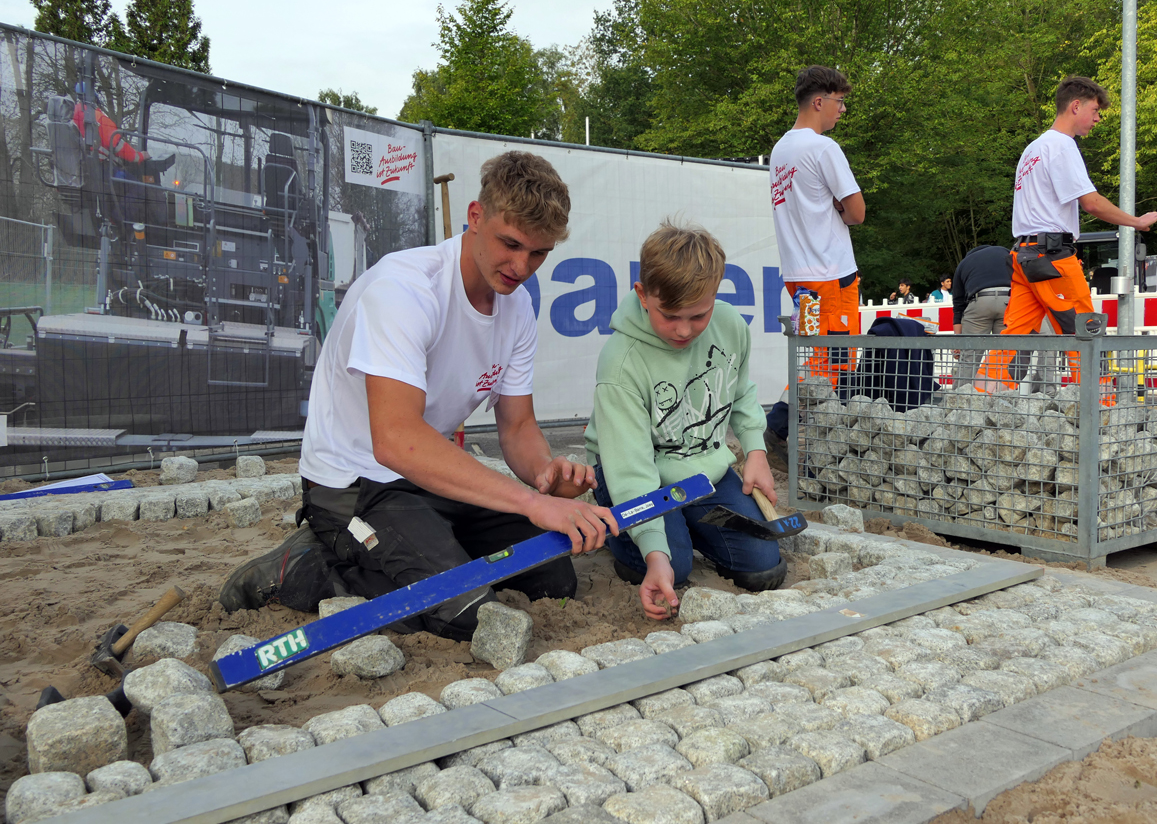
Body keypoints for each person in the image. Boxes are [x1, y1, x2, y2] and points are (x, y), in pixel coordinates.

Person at [219, 151, 618, 641]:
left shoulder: (517, 310)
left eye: (538, 254)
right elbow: (395, 440)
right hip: (354, 482)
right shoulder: (405, 289)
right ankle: (304, 565)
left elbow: (517, 427)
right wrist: (530, 503)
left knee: (551, 579)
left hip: (426, 477)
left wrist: (545, 475)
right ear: (476, 217)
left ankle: (424, 550)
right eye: (510, 244)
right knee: (465, 614)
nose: (521, 267)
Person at [585, 222, 786, 621]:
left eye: (697, 316)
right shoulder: (621, 363)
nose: (683, 330)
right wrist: (654, 551)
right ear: (643, 295)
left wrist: (756, 451)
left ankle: (684, 520)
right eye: (670, 315)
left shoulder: (730, 325)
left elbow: (739, 388)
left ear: (716, 293)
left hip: (702, 471)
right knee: (670, 566)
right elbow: (631, 471)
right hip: (633, 474)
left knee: (763, 566)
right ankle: (625, 532)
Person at [1003, 76, 1157, 344]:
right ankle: (1096, 387)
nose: (1098, 118)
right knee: (1085, 332)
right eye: (1095, 110)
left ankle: (986, 386)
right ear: (1076, 106)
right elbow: (1091, 203)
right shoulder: (1063, 145)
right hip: (1051, 257)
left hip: (1024, 255)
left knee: (1016, 336)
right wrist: (1136, 222)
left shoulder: (1033, 149)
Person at [764, 65, 866, 462]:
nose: (842, 111)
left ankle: (784, 429)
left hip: (799, 280)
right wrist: (839, 209)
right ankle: (798, 434)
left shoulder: (780, 150)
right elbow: (857, 212)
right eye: (840, 103)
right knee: (836, 360)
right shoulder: (823, 148)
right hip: (832, 276)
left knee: (814, 357)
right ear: (819, 101)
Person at [950, 244, 1014, 384]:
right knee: (1003, 355)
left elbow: (958, 305)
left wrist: (958, 342)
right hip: (1009, 301)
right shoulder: (1006, 252)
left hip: (980, 302)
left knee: (969, 357)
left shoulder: (964, 263)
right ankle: (1003, 399)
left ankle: (960, 398)